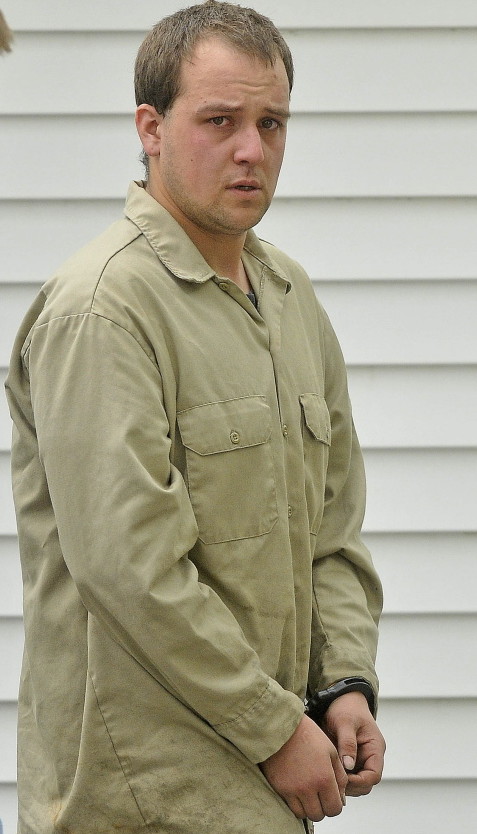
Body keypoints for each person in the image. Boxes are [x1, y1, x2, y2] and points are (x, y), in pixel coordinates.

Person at [5, 2, 385, 832]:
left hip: (266, 785)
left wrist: (341, 683)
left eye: (271, 121)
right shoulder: (102, 310)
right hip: (140, 798)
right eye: (220, 120)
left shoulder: (286, 294)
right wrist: (273, 725)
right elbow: (128, 568)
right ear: (151, 126)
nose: (252, 149)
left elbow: (330, 526)